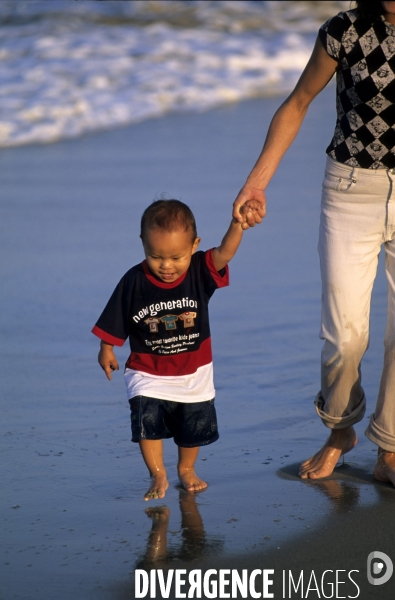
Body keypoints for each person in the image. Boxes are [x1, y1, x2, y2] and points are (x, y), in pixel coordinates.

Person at [233, 1, 395, 486]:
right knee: (344, 337)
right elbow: (298, 101)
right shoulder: (345, 30)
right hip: (351, 192)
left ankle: (388, 446)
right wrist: (257, 182)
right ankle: (340, 431)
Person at [92, 199, 259, 500]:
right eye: (156, 256)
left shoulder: (199, 271)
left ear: (194, 245)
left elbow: (225, 252)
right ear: (142, 243)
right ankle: (157, 474)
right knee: (147, 423)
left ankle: (186, 469)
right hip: (148, 371)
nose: (166, 266)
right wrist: (107, 348)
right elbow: (115, 316)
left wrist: (238, 225)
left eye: (176, 257)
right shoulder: (134, 281)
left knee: (191, 425)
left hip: (193, 372)